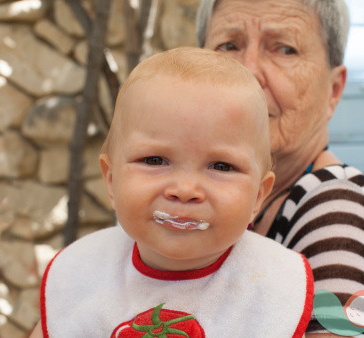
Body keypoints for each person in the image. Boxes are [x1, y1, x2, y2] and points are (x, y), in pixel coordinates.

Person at [30, 47, 314, 338]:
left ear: (257, 196)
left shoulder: (271, 289)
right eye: (155, 160)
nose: (185, 190)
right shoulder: (83, 275)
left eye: (221, 166)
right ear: (112, 181)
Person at [197, 0, 364, 336]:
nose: (249, 71)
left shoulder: (336, 206)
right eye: (228, 45)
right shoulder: (188, 195)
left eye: (285, 49)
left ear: (333, 91)